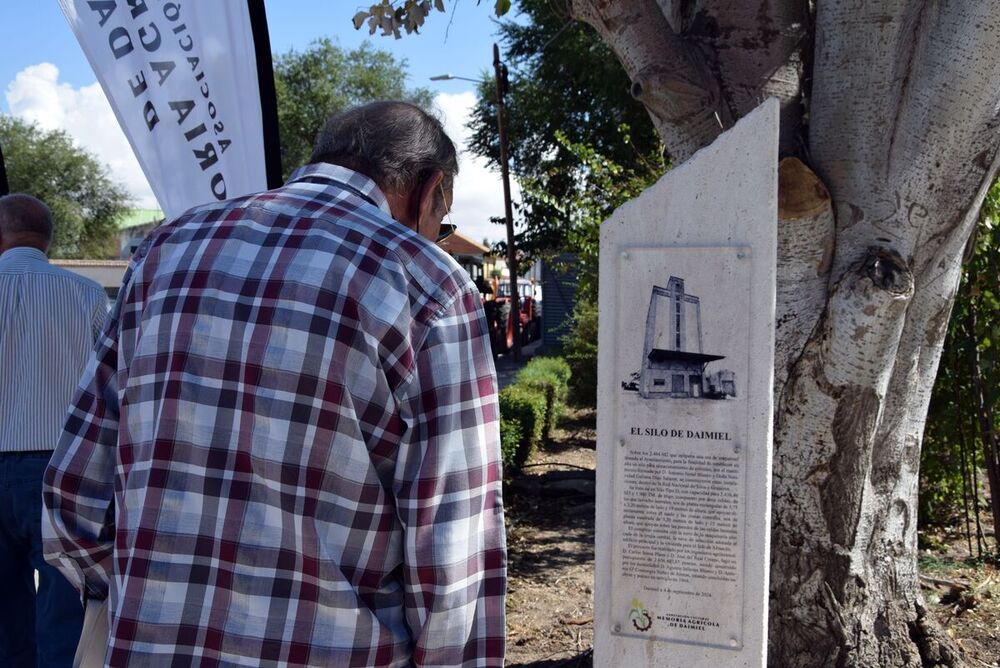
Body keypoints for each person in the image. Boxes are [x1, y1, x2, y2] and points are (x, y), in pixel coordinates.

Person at [42, 101, 506, 666]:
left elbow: (73, 497)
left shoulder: (165, 251)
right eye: (443, 219)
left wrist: (146, 598)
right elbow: (452, 548)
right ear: (430, 189)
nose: (437, 233)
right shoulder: (428, 284)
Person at [0, 193, 107, 666]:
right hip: (61, 469)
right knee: (63, 607)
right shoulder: (85, 294)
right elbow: (113, 384)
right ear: (47, 239)